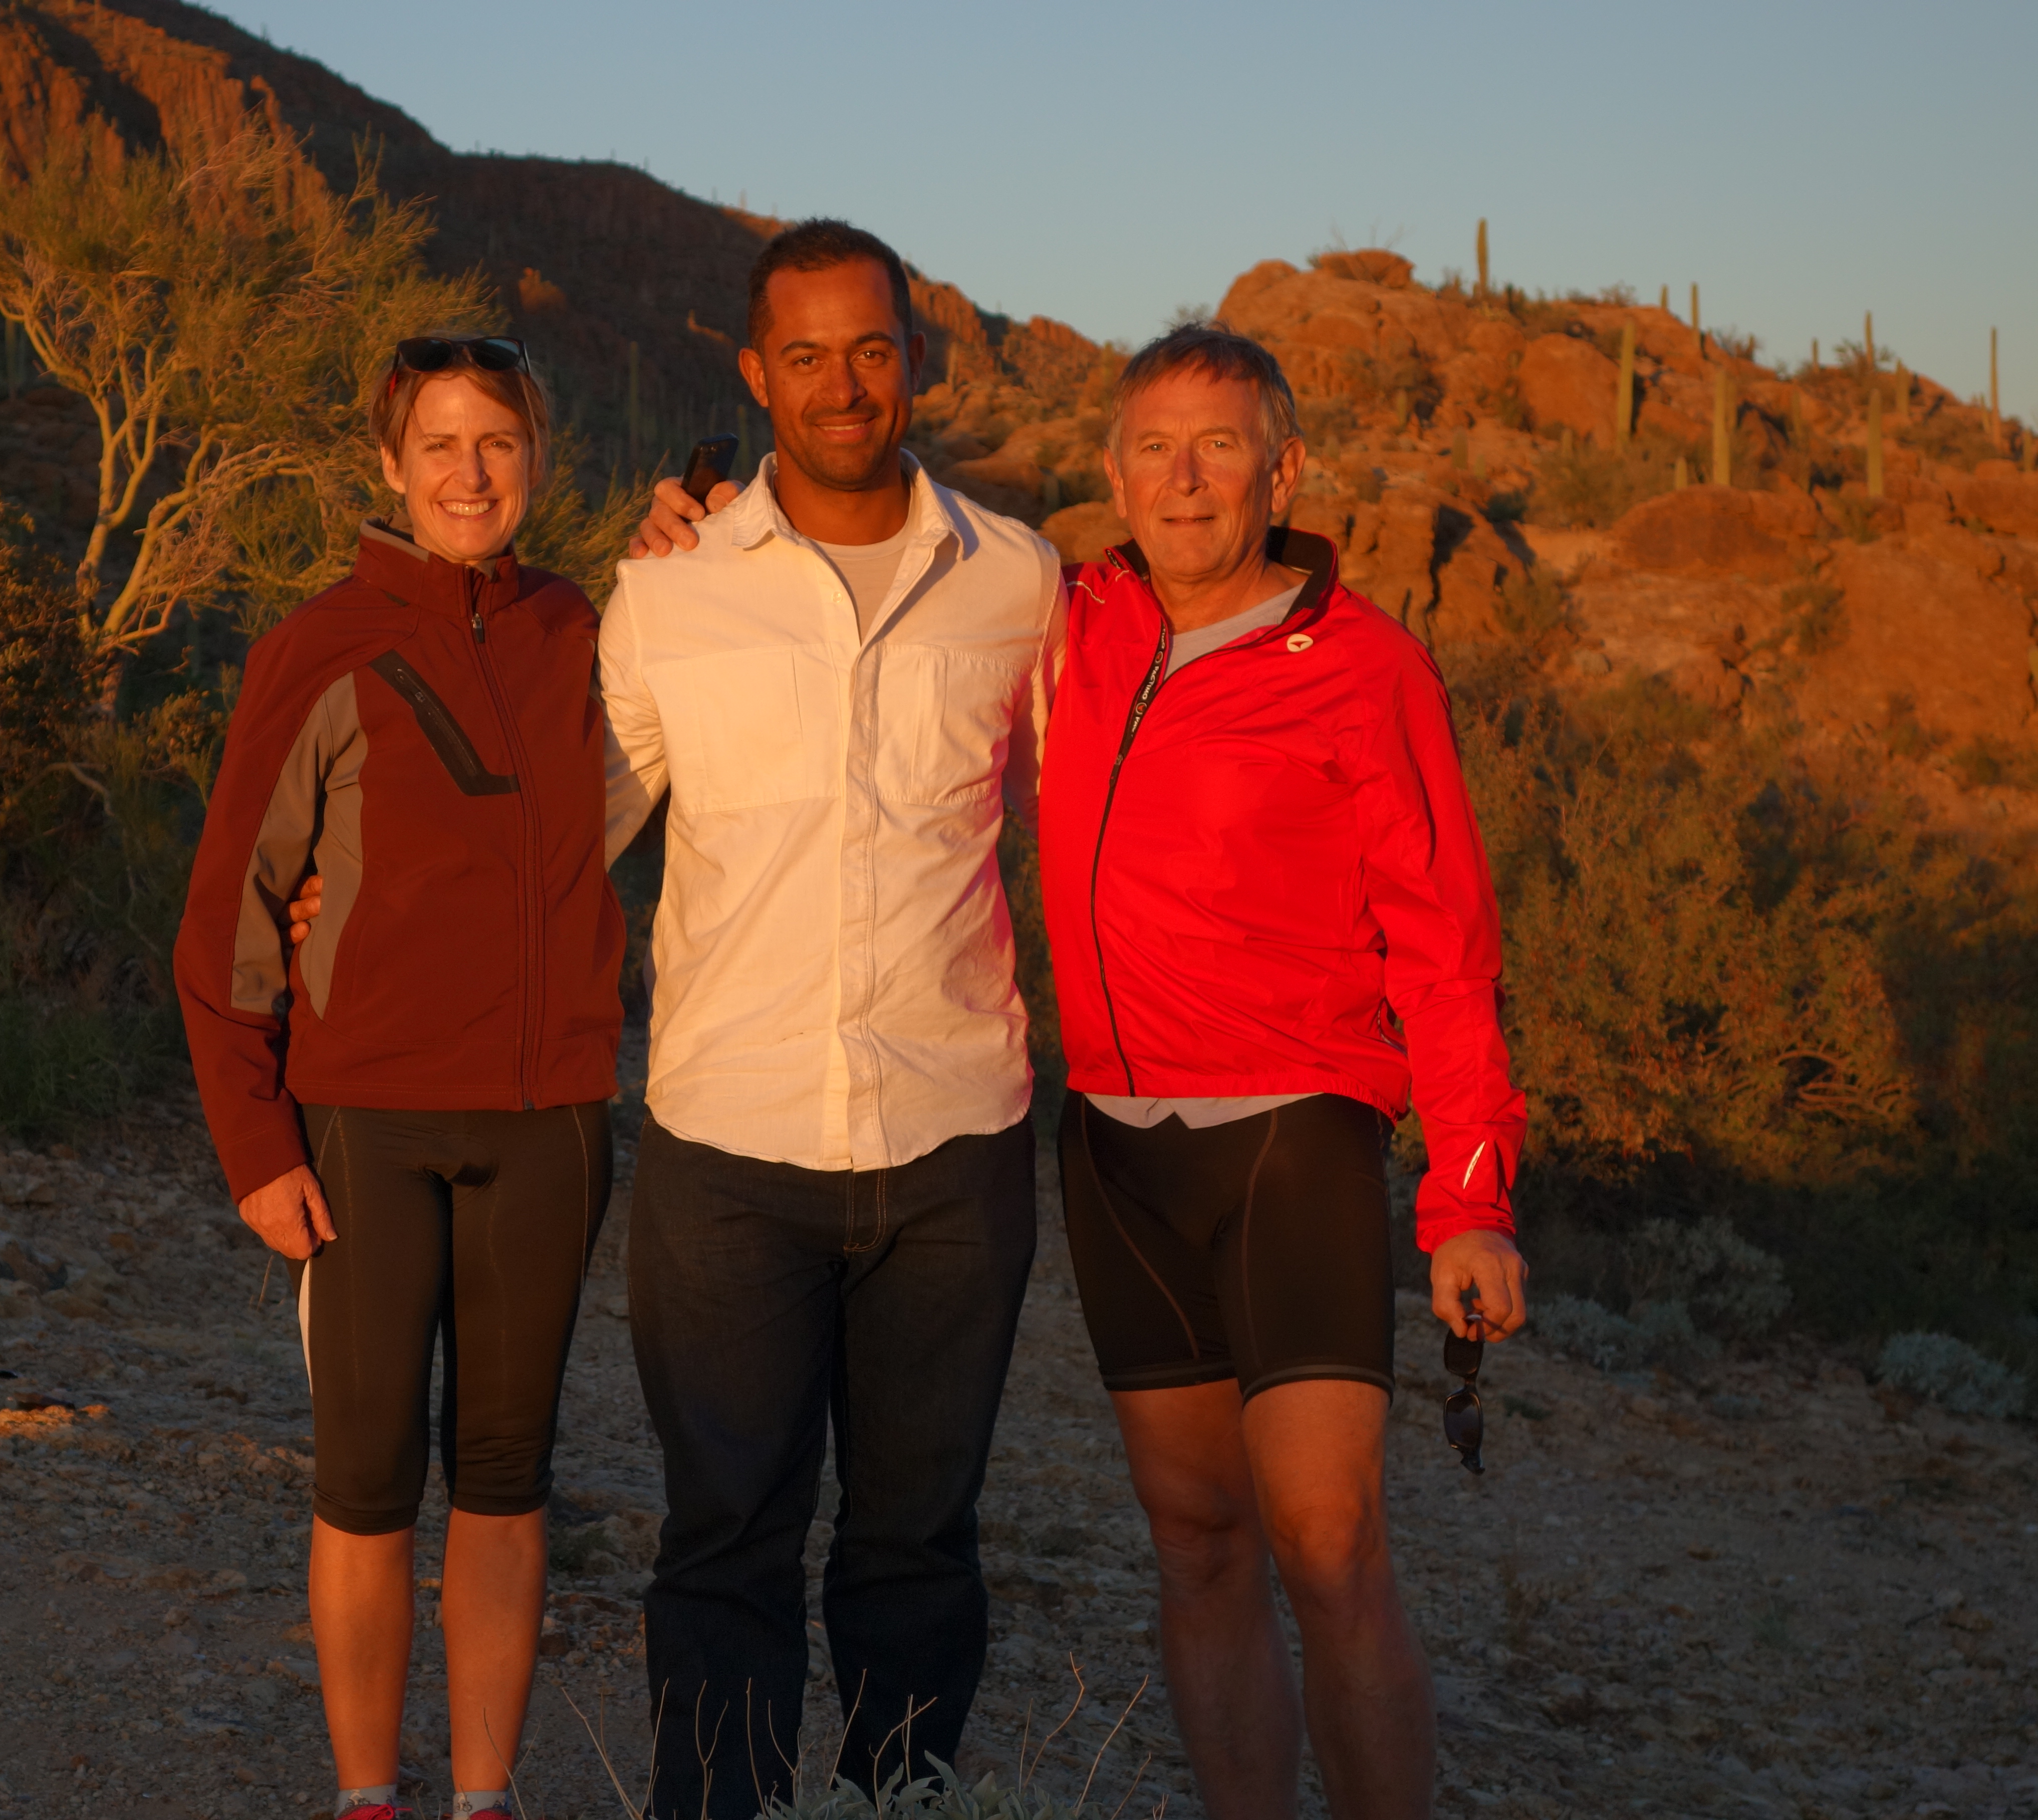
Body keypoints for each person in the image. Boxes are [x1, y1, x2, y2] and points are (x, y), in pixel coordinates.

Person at [639, 319, 1529, 1820]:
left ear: (1282, 472)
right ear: (1115, 474)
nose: (1187, 480)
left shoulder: (1362, 666)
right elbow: (879, 571)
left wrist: (1472, 1198)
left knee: (1326, 1541)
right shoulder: (1069, 613)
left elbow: (1447, 944)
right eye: (1156, 450)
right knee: (1198, 1542)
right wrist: (709, 533)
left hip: (1295, 1131)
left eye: (1222, 447)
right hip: (1117, 1144)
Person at [598, 220, 1061, 1819]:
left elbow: (1101, 816)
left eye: (871, 349)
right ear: (756, 373)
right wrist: (337, 893)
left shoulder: (1018, 581)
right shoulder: (667, 592)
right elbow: (563, 831)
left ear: (915, 359)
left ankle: (896, 1801)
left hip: (953, 1142)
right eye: (806, 355)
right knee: (725, 1539)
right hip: (729, 1147)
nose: (842, 384)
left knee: (918, 1545)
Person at [173, 332, 624, 1820]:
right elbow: (230, 917)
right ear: (389, 464)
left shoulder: (582, 631)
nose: (469, 474)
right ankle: (369, 1797)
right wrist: (257, 1148)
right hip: (363, 1123)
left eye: (498, 442)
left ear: (536, 458)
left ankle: (483, 1802)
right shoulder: (326, 643)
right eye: (439, 444)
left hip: (550, 1124)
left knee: (506, 1479)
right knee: (367, 1482)